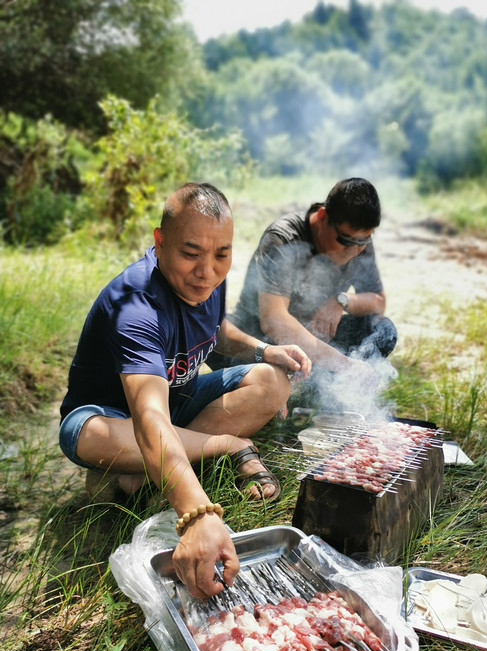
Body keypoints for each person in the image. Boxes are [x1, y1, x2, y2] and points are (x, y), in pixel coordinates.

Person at [59, 182, 311, 598]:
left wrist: (264, 349)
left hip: (180, 402)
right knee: (90, 434)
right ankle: (223, 446)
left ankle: (147, 474)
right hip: (114, 418)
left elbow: (217, 331)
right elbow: (148, 416)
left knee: (271, 381)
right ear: (160, 243)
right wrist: (197, 517)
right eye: (190, 253)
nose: (207, 271)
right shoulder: (135, 306)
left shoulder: (209, 281)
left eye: (221, 255)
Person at [206, 177, 397, 411]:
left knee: (382, 330)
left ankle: (320, 394)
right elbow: (274, 322)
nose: (353, 251)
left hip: (314, 340)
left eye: (363, 242)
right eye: (346, 240)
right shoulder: (284, 238)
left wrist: (341, 300)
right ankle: (280, 388)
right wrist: (345, 365)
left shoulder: (358, 244)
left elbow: (378, 301)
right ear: (324, 217)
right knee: (212, 337)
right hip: (261, 339)